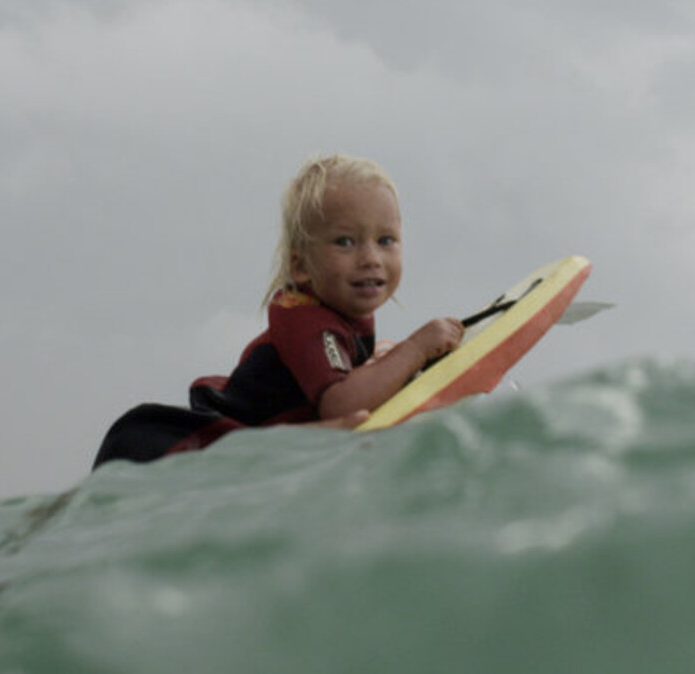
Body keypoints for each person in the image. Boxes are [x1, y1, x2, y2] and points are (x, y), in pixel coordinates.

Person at [94, 154, 465, 466]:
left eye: (385, 240)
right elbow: (341, 404)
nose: (371, 258)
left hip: (260, 429)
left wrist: (379, 364)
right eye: (344, 242)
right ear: (300, 266)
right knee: (343, 422)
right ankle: (307, 437)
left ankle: (305, 436)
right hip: (194, 442)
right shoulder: (307, 319)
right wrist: (414, 349)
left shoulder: (342, 307)